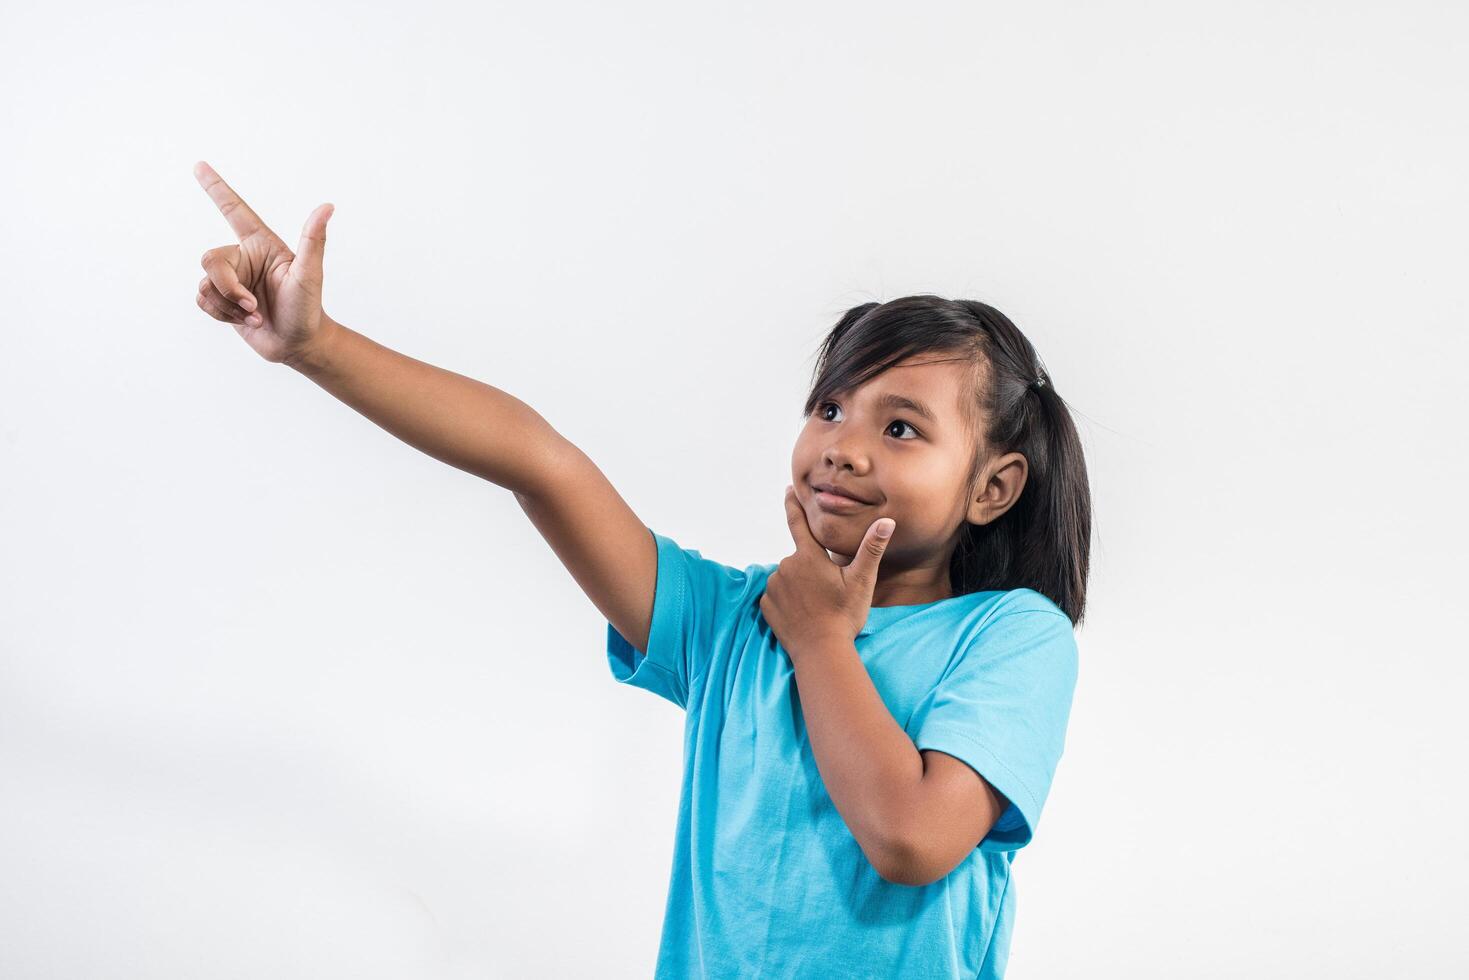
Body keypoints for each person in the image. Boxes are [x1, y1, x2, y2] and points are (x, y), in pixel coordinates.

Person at [191, 160, 1092, 979]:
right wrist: (317, 347)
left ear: (993, 486)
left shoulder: (1010, 637)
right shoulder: (732, 619)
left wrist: (820, 636)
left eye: (899, 428)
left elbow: (910, 839)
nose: (842, 448)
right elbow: (538, 460)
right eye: (828, 408)